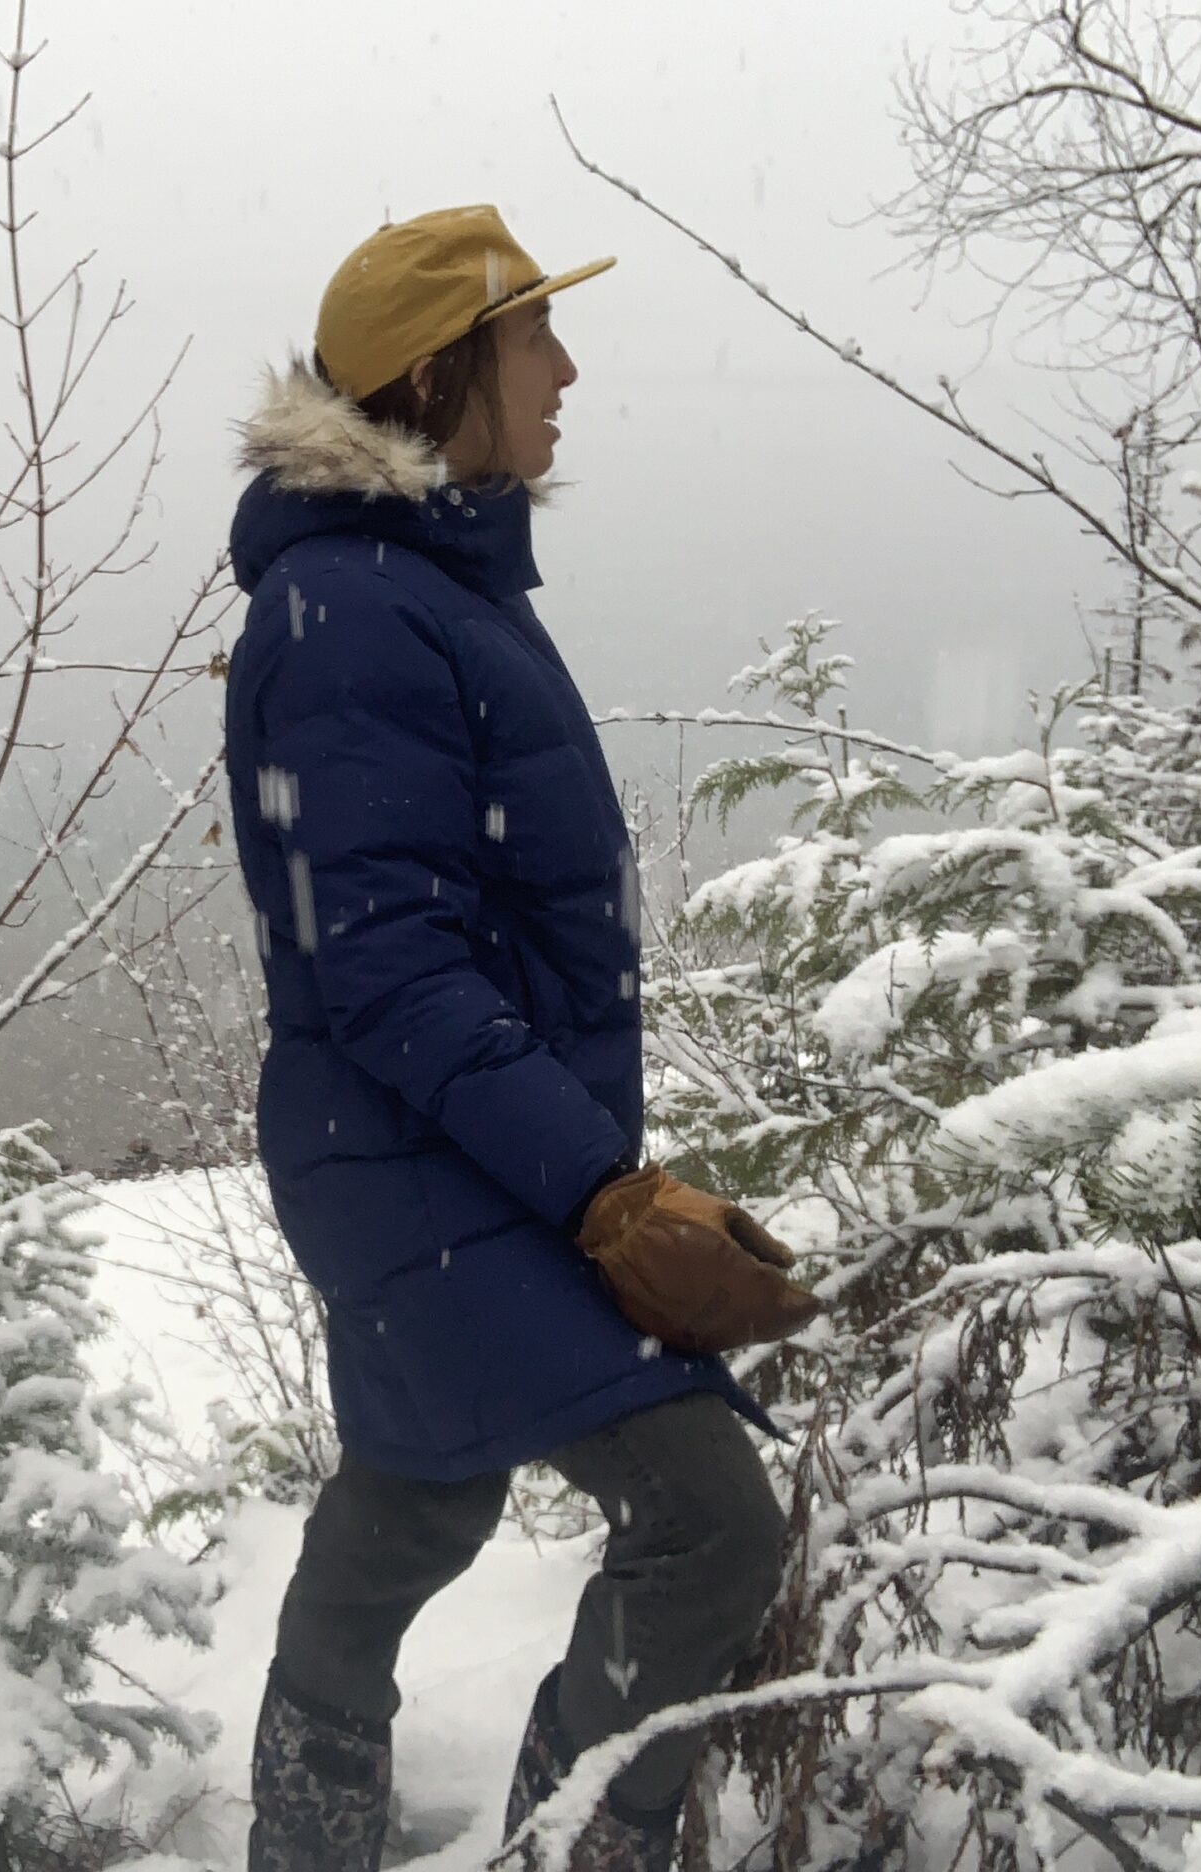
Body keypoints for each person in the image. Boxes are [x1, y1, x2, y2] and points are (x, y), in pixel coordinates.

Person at [222, 205, 818, 1872]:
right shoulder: (353, 612)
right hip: (430, 1162)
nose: (567, 366)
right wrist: (599, 1191)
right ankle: (581, 1846)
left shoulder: (415, 587)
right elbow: (396, 972)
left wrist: (590, 1170)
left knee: (425, 1488)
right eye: (534, 336)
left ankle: (312, 1836)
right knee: (710, 1524)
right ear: (439, 375)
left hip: (433, 1147)